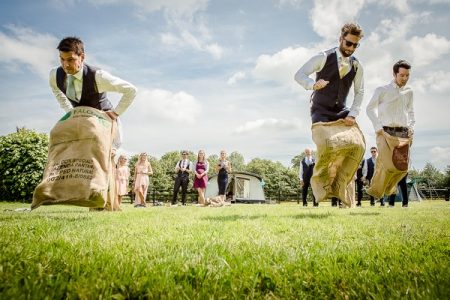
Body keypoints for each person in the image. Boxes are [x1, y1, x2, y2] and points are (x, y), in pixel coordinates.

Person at [294, 22, 365, 206]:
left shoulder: (357, 66)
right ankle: (320, 187)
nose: (351, 48)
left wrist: (353, 114)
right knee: (327, 147)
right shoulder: (324, 57)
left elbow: (360, 92)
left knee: (357, 145)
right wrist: (312, 85)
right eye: (348, 43)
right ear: (340, 39)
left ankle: (343, 189)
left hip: (341, 110)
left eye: (355, 45)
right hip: (320, 110)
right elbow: (299, 74)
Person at [49, 36, 137, 149]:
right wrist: (70, 112)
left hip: (103, 124)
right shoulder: (54, 75)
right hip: (80, 122)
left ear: (82, 57)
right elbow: (57, 92)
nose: (65, 65)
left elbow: (131, 90)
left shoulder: (98, 76)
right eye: (62, 59)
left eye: (71, 59)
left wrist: (116, 113)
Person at [366, 60, 414, 205]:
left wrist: (412, 127)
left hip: (404, 134)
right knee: (387, 165)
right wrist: (378, 127)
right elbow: (369, 109)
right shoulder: (382, 90)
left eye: (407, 76)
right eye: (402, 75)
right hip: (385, 132)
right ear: (394, 74)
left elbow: (411, 111)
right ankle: (376, 191)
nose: (405, 78)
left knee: (403, 168)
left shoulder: (409, 91)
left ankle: (390, 188)